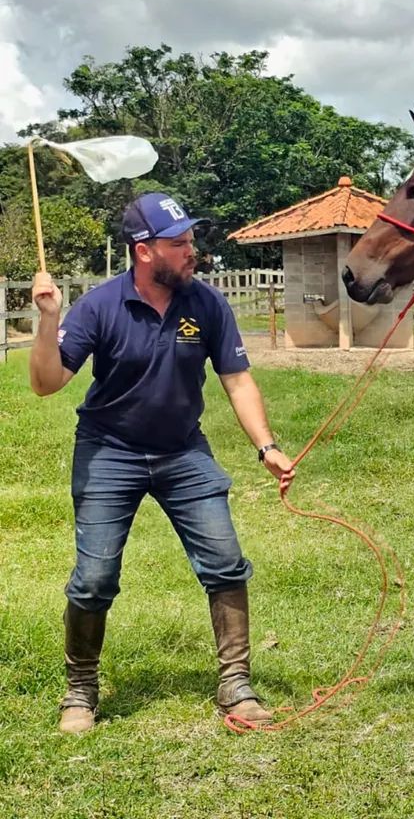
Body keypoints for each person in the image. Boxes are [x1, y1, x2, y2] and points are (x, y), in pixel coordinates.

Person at [28, 191, 295, 734]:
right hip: (109, 452)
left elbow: (237, 380)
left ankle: (236, 683)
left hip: (183, 451)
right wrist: (48, 320)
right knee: (94, 579)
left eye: (191, 239)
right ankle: (80, 690)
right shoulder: (101, 306)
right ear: (144, 251)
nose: (191, 250)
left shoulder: (207, 304)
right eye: (179, 243)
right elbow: (46, 383)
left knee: (224, 562)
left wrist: (266, 446)